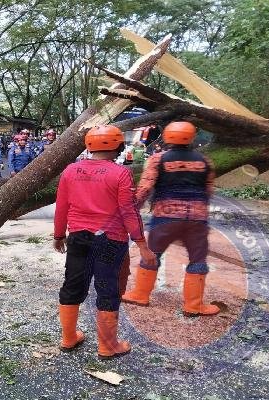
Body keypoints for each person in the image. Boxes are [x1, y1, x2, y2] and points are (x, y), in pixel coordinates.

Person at [53, 125, 156, 358]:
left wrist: (59, 235)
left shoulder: (71, 170)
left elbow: (62, 206)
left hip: (78, 238)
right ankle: (107, 346)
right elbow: (129, 211)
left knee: (72, 286)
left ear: (89, 145)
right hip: (111, 240)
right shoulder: (120, 173)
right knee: (108, 289)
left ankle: (68, 338)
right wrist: (142, 244)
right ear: (118, 145)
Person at [122, 121, 220, 317]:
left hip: (164, 217)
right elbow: (209, 190)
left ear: (167, 137)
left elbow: (145, 188)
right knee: (197, 259)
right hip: (196, 219)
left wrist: (133, 209)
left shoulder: (158, 160)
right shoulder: (205, 161)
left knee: (152, 254)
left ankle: (141, 294)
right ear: (192, 138)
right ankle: (194, 305)